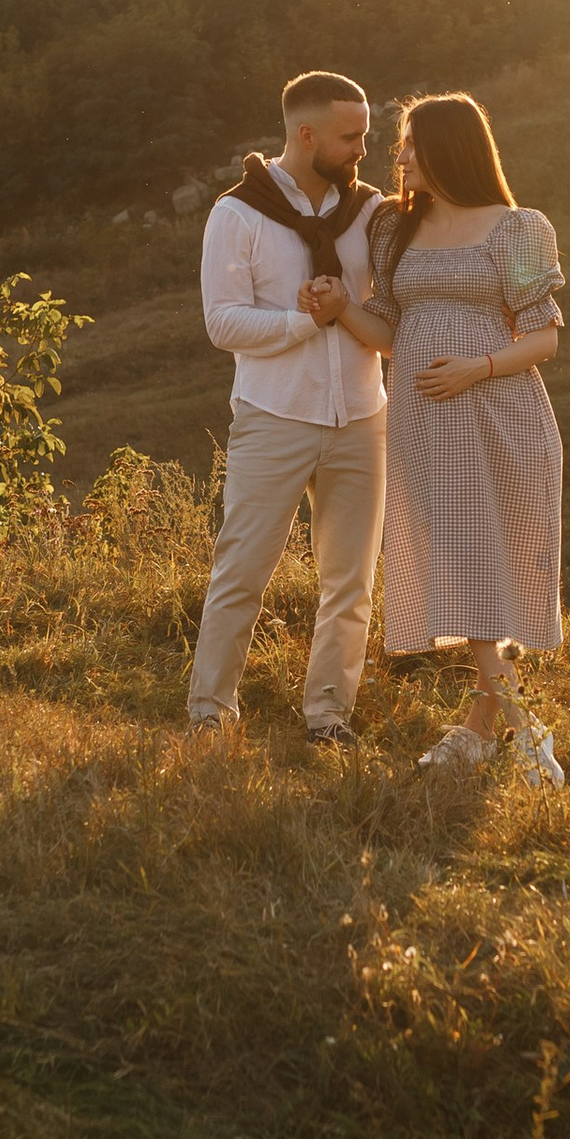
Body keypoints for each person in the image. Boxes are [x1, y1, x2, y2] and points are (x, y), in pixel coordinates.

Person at [325, 89, 566, 788]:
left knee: (482, 566)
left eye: (409, 143)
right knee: (462, 560)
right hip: (425, 421)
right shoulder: (394, 231)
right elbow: (390, 334)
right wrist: (342, 310)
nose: (397, 156)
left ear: (448, 149)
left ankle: (507, 732)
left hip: (502, 413)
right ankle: (494, 732)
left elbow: (546, 335)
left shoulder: (518, 229)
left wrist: (475, 367)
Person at [185, 68, 386, 746]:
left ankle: (328, 716)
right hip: (274, 416)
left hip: (362, 416)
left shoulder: (371, 214)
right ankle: (211, 712)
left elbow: (388, 307)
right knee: (242, 570)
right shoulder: (237, 214)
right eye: (350, 136)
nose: (363, 148)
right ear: (306, 135)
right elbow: (224, 324)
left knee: (350, 582)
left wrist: (346, 311)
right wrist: (305, 324)